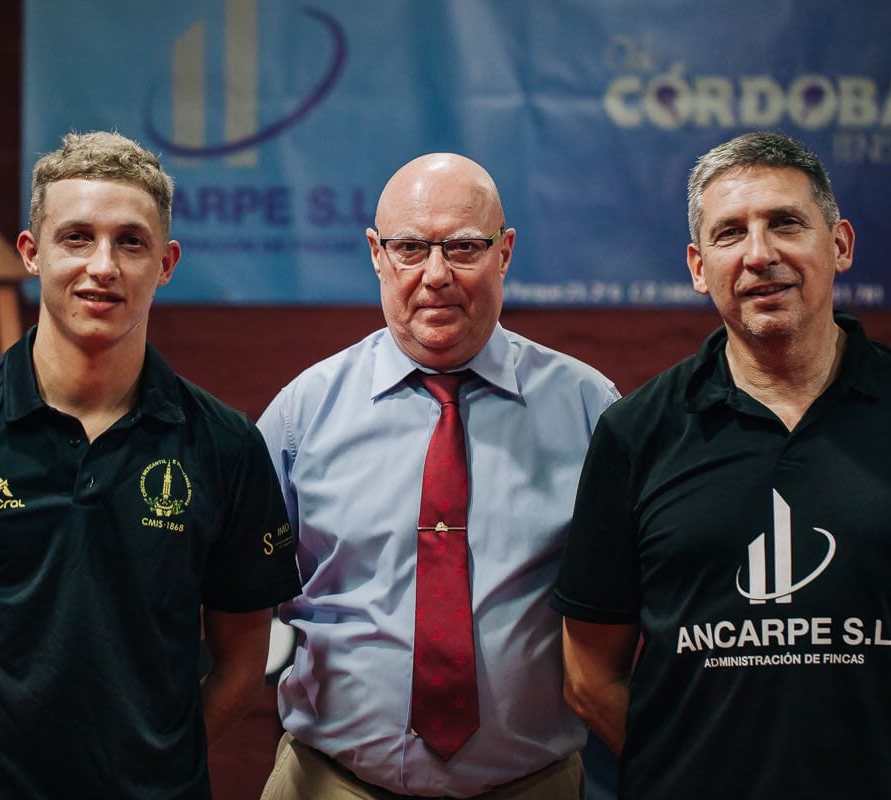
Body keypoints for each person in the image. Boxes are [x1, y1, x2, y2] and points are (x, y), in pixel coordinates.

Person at [553, 130, 891, 799]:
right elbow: (588, 676)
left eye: (785, 223)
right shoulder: (636, 433)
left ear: (839, 245)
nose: (759, 255)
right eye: (730, 233)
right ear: (698, 267)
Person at [0, 131, 301, 798]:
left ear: (166, 262)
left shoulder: (226, 445)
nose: (103, 266)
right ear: (33, 252)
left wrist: (153, 770)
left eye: (131, 242)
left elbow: (240, 668)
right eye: (77, 238)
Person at [257, 152, 619, 798]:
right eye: (409, 248)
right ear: (376, 254)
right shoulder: (301, 415)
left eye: (463, 247)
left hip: (529, 785)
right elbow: (230, 597)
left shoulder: (590, 410)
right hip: (329, 781)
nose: (435, 275)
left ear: (505, 252)